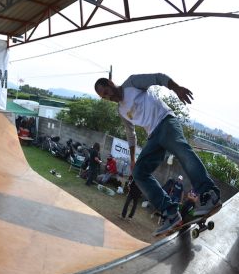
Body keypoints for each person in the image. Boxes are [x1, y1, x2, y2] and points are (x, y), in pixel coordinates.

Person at [94, 74, 221, 237]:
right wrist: (132, 160)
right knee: (139, 173)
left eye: (107, 91)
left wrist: (176, 88)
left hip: (166, 121)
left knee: (181, 150)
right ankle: (170, 213)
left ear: (111, 83)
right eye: (104, 97)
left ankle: (209, 193)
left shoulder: (132, 83)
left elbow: (157, 78)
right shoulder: (121, 111)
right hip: (153, 136)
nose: (109, 97)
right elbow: (130, 134)